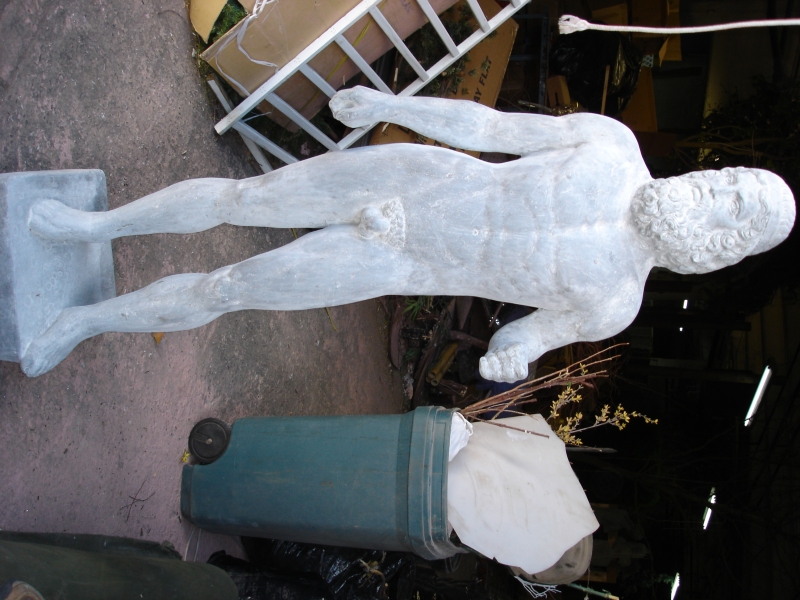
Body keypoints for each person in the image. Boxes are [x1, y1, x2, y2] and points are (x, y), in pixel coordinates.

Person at [22, 87, 795, 378]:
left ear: (726, 248)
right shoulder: (612, 145)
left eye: (735, 207)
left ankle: (83, 322)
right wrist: (393, 106)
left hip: (401, 261)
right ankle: (93, 225)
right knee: (240, 197)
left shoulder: (614, 302)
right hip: (417, 179)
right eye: (730, 179)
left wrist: (512, 357)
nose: (717, 189)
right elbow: (491, 127)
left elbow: (521, 338)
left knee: (230, 290)